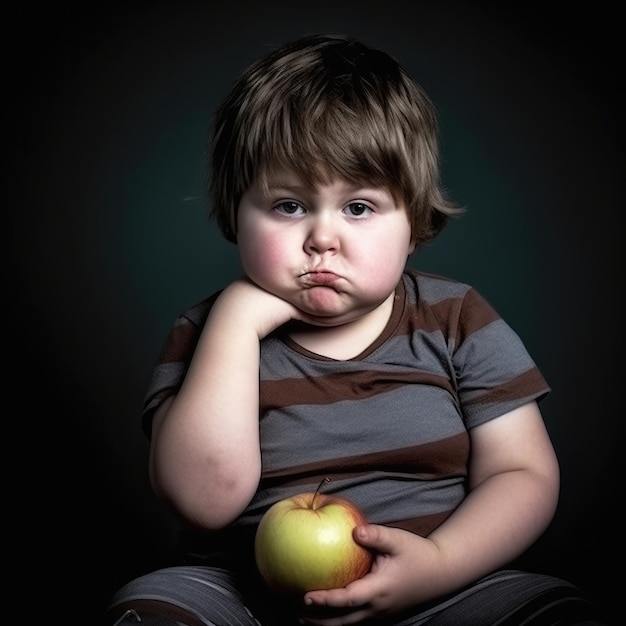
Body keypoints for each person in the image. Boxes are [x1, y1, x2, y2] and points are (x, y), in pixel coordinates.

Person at [105, 33, 606, 625]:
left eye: (359, 207)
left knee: (555, 611)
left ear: (413, 222)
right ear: (233, 212)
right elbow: (202, 502)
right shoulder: (205, 332)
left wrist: (441, 562)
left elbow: (521, 474)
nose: (322, 238)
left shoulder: (456, 320)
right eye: (289, 205)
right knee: (150, 606)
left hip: (439, 587)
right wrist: (236, 322)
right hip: (250, 597)